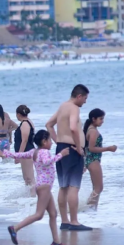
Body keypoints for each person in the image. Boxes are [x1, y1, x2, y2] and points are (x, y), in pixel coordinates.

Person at [0, 130, 71, 245]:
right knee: (39, 215)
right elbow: (47, 162)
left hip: (43, 186)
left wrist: (6, 153)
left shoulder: (34, 152)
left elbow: (19, 155)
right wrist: (61, 154)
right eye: (50, 140)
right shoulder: (45, 152)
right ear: (44, 141)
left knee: (53, 214)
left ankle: (56, 241)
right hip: (44, 186)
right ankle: (15, 228)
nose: (52, 143)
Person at [46, 84, 91, 231]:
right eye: (85, 98)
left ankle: (65, 221)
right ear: (79, 96)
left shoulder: (62, 106)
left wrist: (57, 141)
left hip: (61, 149)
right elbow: (72, 127)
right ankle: (74, 222)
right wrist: (79, 148)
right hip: (72, 151)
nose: (85, 102)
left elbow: (49, 125)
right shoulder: (74, 108)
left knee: (63, 186)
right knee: (73, 186)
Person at [84, 108, 117, 211]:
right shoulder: (93, 131)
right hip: (93, 160)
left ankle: (91, 209)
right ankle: (89, 208)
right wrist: (108, 148)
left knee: (97, 187)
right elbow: (91, 148)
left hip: (90, 160)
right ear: (94, 119)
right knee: (98, 187)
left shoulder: (90, 129)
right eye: (101, 119)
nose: (102, 121)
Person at [14, 105, 36, 194]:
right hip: (27, 152)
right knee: (26, 178)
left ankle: (34, 197)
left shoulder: (25, 124)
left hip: (27, 152)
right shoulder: (27, 122)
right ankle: (29, 198)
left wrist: (19, 155)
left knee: (29, 177)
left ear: (18, 114)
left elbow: (25, 140)